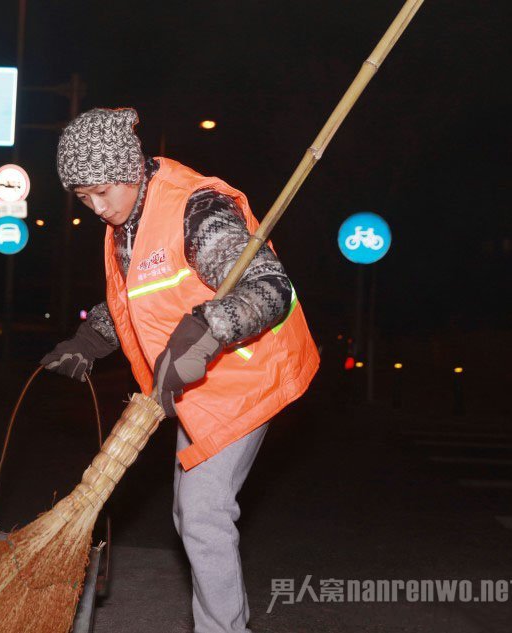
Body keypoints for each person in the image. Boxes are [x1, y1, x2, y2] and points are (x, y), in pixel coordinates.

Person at [42, 108, 319, 633]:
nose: (98, 208)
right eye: (83, 198)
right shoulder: (128, 219)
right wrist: (93, 336)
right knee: (188, 516)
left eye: (103, 191)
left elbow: (269, 288)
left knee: (203, 514)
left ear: (133, 170)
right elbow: (147, 298)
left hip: (244, 377)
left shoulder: (199, 211)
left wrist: (210, 329)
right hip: (195, 384)